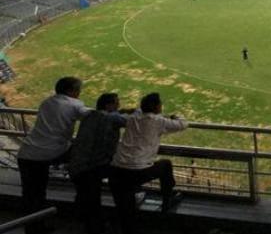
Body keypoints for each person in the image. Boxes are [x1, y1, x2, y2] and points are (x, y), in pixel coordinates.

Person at [17, 77, 90, 234]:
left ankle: (34, 229)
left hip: (26, 152)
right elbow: (92, 116)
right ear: (71, 91)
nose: (79, 93)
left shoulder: (47, 102)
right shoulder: (75, 104)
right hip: (50, 152)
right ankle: (83, 207)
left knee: (31, 196)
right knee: (84, 159)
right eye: (78, 90)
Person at [110, 93, 187, 234]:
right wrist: (175, 116)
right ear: (157, 107)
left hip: (116, 170)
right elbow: (183, 124)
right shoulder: (158, 121)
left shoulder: (131, 118)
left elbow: (130, 114)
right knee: (166, 165)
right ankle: (167, 199)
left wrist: (128, 110)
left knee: (125, 210)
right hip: (137, 172)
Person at [68, 93, 127, 234]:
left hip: (77, 164)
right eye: (116, 103)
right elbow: (127, 121)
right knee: (93, 202)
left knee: (86, 198)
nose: (118, 105)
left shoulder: (89, 115)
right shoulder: (111, 117)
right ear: (108, 105)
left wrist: (120, 111)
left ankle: (85, 224)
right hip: (92, 167)